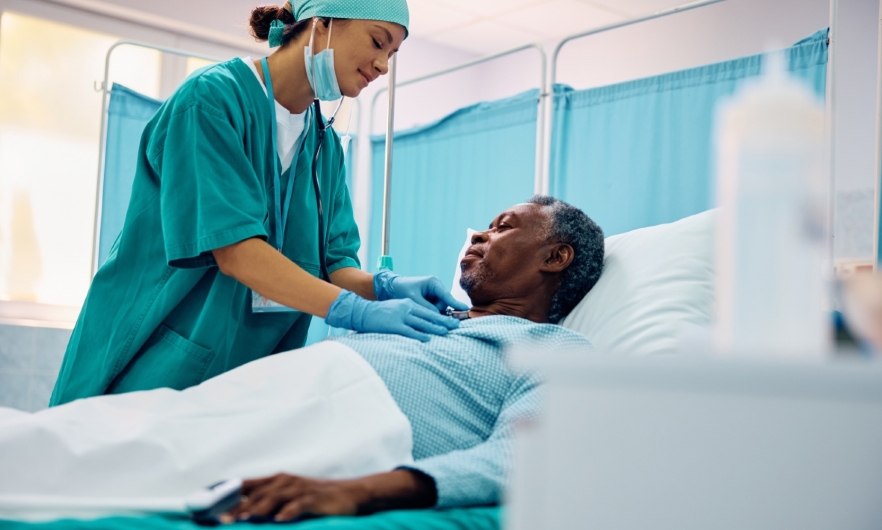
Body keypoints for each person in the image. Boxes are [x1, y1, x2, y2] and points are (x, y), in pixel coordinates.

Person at [50, 0, 468, 406]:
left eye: (393, 54)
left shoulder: (324, 147)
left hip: (243, 380)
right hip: (151, 357)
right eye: (379, 42)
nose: (383, 66)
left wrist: (384, 290)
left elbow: (334, 266)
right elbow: (236, 252)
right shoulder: (212, 101)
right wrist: (354, 312)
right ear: (322, 22)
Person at [224, 195, 606, 521]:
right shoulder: (409, 315)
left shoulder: (555, 348)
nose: (477, 235)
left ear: (556, 257)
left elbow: (522, 456)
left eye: (503, 227)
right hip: (253, 398)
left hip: (325, 432)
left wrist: (356, 492)